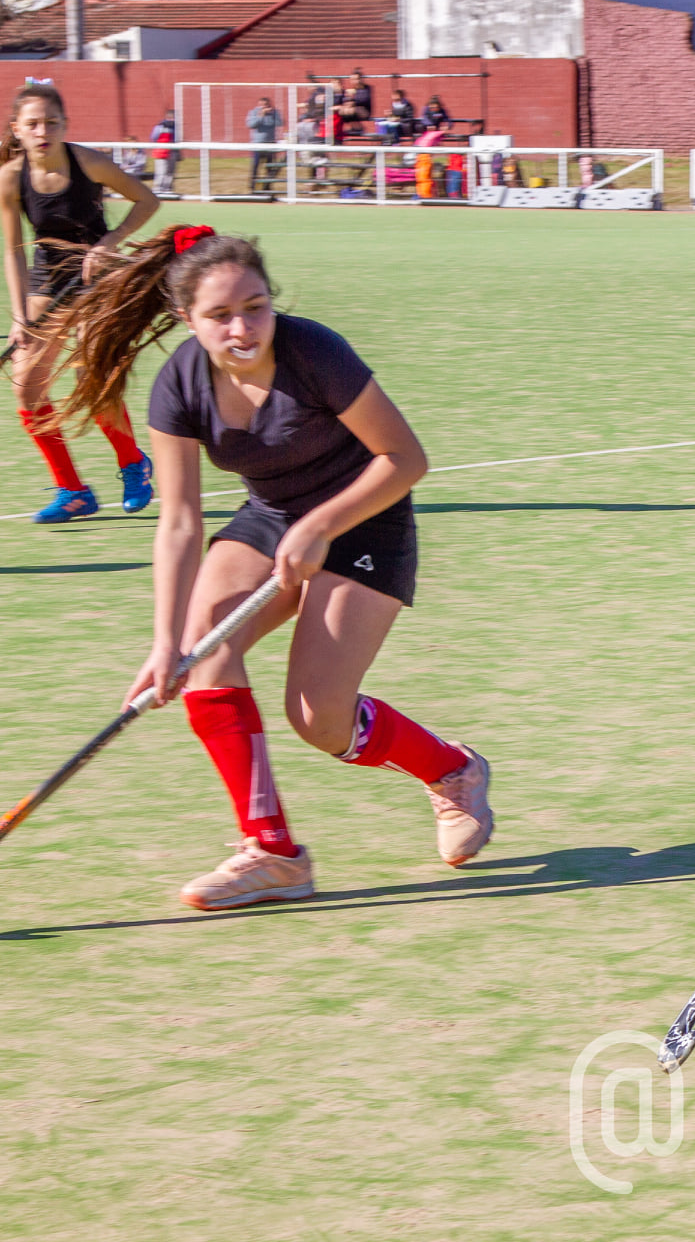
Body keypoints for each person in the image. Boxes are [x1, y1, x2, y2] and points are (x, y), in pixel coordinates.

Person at [35, 225, 495, 908]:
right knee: (202, 654)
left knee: (318, 718)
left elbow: (405, 459)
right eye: (220, 315)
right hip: (271, 519)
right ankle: (274, 853)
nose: (242, 326)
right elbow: (181, 520)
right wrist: (166, 642)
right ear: (188, 320)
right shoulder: (179, 386)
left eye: (255, 306)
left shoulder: (314, 352)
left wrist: (321, 526)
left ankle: (451, 771)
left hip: (366, 517)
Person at [1, 84, 160, 523]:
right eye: (32, 124)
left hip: (96, 276)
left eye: (51, 122)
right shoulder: (10, 178)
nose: (42, 131)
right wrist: (19, 316)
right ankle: (72, 490)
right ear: (18, 129)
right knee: (26, 384)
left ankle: (133, 464)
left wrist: (110, 241)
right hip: (48, 277)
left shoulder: (87, 162)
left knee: (94, 374)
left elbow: (147, 200)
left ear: (65, 126)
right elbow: (13, 249)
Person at [245, 96, 282, 193]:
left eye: (266, 105)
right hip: (258, 144)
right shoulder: (253, 112)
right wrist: (261, 115)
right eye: (262, 105)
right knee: (256, 166)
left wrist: (273, 114)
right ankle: (252, 187)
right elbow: (251, 125)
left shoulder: (274, 113)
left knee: (270, 166)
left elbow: (279, 123)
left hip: (270, 143)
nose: (264, 107)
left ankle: (267, 187)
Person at [150, 109, 179, 196]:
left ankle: (168, 189)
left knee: (170, 172)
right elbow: (154, 137)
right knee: (161, 172)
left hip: (172, 152)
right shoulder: (160, 127)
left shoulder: (176, 127)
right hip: (161, 152)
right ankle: (158, 189)